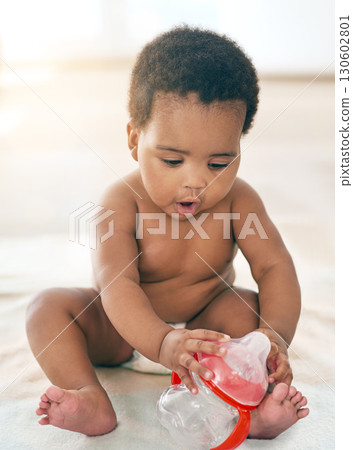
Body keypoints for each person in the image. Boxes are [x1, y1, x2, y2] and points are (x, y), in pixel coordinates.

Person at [26, 26, 309, 439]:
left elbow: (274, 266)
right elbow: (116, 283)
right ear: (134, 139)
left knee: (248, 311)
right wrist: (160, 343)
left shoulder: (240, 201)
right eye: (173, 160)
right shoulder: (119, 203)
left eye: (219, 164)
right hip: (122, 333)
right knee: (47, 309)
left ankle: (253, 410)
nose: (196, 182)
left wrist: (274, 336)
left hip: (207, 330)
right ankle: (89, 396)